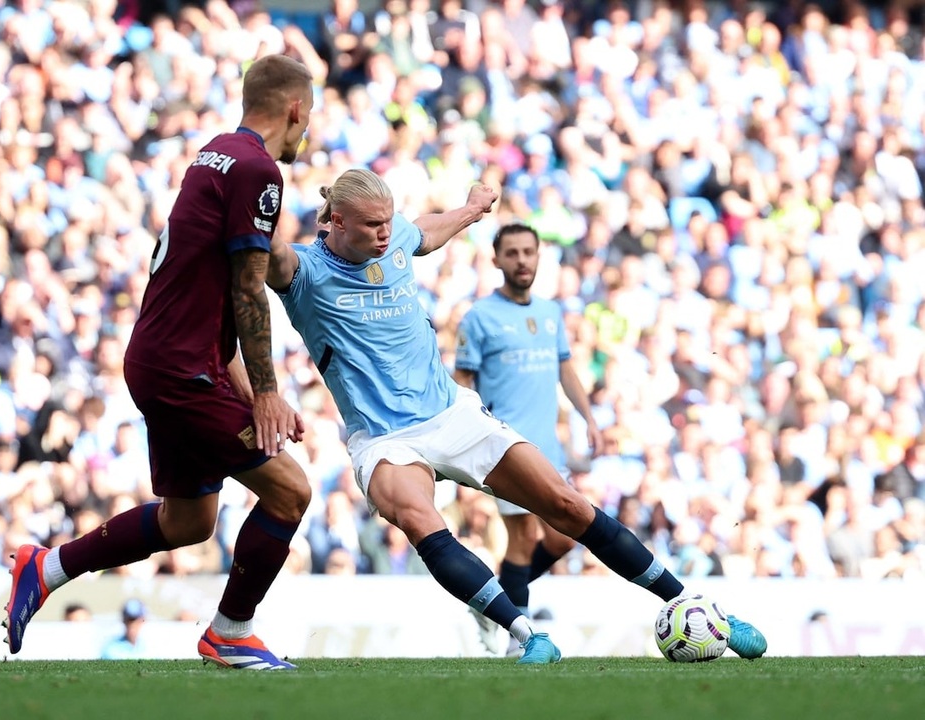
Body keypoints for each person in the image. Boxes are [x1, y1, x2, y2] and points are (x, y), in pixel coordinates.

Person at [266, 168, 767, 663]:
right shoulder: (303, 271)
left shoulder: (395, 236)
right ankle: (527, 637)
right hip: (383, 438)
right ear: (334, 219)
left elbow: (425, 233)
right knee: (420, 518)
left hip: (449, 412)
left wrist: (471, 208)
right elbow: (258, 251)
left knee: (566, 506)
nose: (384, 233)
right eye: (371, 224)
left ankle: (694, 605)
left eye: (387, 221)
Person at [4, 54, 316, 671]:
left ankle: (48, 567)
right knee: (289, 493)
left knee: (190, 522)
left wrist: (252, 393)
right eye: (310, 117)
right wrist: (269, 390)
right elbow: (249, 289)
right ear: (296, 109)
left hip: (167, 358)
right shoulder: (258, 169)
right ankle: (230, 632)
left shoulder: (215, 154)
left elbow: (218, 294)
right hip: (180, 369)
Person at [453, 222, 604, 656]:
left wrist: (589, 418)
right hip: (505, 450)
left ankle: (492, 604)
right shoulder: (479, 317)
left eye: (528, 252)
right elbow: (463, 380)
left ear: (539, 257)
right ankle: (519, 643)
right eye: (513, 253)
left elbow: (565, 368)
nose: (522, 260)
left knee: (562, 538)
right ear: (497, 260)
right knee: (521, 540)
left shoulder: (551, 312)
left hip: (548, 450)